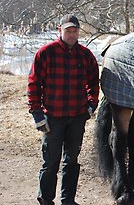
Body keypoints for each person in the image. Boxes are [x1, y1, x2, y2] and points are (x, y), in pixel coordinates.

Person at [27, 14, 100, 205]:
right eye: (68, 30)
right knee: (51, 161)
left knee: (72, 161)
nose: (72, 34)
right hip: (52, 118)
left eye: (75, 30)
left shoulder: (85, 55)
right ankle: (45, 199)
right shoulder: (46, 53)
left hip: (77, 117)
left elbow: (94, 82)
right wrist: (37, 113)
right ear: (60, 30)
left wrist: (92, 104)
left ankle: (68, 200)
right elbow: (34, 84)